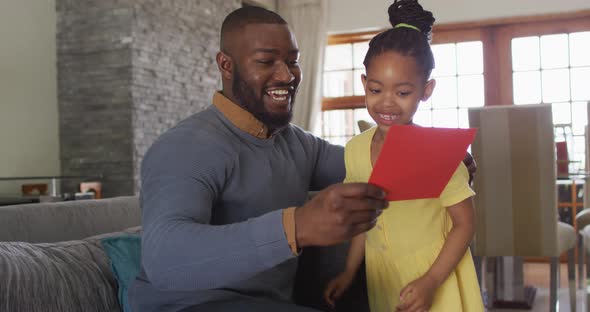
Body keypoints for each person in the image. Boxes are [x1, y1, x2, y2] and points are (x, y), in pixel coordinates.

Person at [128, 6, 389, 312]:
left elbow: (370, 166)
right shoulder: (183, 147)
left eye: (293, 61)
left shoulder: (296, 143)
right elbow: (164, 258)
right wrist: (297, 226)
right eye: (266, 61)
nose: (286, 74)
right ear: (226, 65)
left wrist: (442, 160)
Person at [323, 1, 484, 311]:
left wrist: (432, 281)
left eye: (403, 92)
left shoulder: (440, 152)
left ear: (426, 90)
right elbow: (363, 219)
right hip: (384, 276)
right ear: (364, 85)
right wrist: (348, 272)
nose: (387, 104)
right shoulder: (356, 149)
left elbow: (465, 225)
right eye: (376, 89)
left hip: (436, 276)